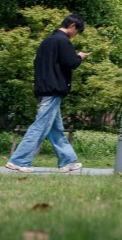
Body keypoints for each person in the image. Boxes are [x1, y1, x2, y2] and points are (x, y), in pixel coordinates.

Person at [6, 14, 90, 173]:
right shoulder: (63, 41)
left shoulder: (47, 41)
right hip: (53, 89)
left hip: (43, 87)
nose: (75, 34)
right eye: (77, 31)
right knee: (40, 126)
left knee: (55, 128)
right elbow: (71, 63)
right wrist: (79, 56)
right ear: (72, 26)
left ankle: (67, 161)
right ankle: (18, 160)